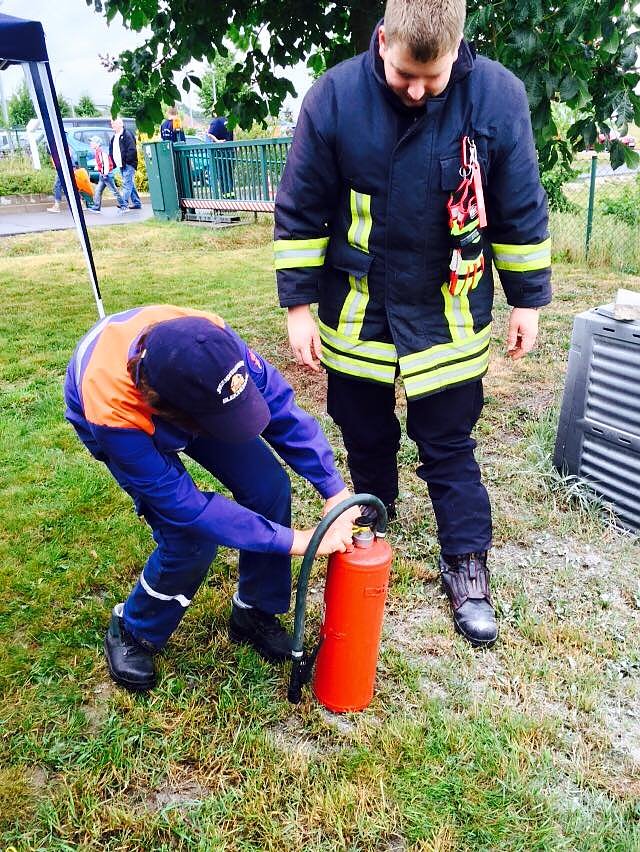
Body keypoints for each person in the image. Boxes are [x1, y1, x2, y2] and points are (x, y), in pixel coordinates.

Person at [274, 0, 552, 648]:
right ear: (382, 41)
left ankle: (467, 567)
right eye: (404, 76)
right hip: (358, 310)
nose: (420, 91)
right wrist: (297, 307)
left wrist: (528, 301)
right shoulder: (334, 97)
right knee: (363, 429)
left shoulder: (498, 98)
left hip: (448, 312)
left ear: (458, 48)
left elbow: (519, 206)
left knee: (449, 446)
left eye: (435, 77)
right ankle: (375, 509)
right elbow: (301, 207)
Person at [64, 305, 359, 691]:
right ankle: (133, 629)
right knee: (188, 539)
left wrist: (333, 489)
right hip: (117, 412)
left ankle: (254, 610)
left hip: (192, 397)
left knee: (268, 488)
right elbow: (188, 509)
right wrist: (296, 541)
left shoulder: (214, 345)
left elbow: (281, 410)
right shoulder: (111, 411)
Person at [109, 117, 142, 210]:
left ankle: (124, 203)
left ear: (120, 124)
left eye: (114, 123)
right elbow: (112, 150)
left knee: (126, 184)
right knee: (130, 183)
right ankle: (137, 203)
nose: (113, 125)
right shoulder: (114, 137)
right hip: (121, 164)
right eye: (112, 123)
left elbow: (132, 149)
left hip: (128, 163)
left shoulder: (127, 135)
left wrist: (128, 161)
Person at [89, 135, 125, 212]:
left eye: (92, 142)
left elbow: (106, 164)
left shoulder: (101, 152)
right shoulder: (98, 152)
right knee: (98, 190)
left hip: (106, 175)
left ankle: (124, 206)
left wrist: (104, 174)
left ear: (98, 144)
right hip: (103, 175)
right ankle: (96, 207)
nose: (91, 143)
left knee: (114, 191)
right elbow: (101, 163)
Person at [207, 114, 235, 197]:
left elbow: (209, 134)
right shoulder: (228, 120)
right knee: (229, 174)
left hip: (220, 152)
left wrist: (217, 141)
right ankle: (231, 195)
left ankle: (226, 196)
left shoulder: (216, 121)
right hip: (230, 151)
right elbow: (234, 134)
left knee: (222, 174)